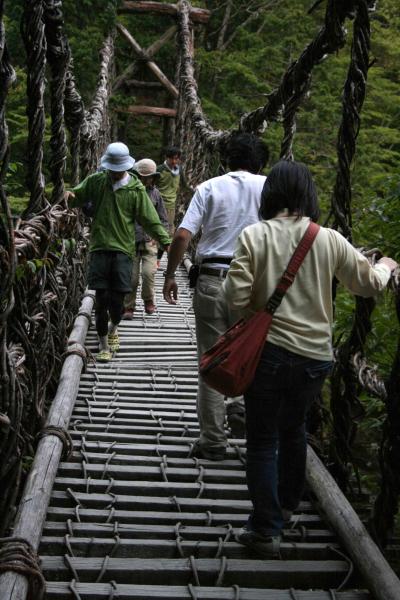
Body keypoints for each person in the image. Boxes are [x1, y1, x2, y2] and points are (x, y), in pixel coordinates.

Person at [221, 160, 397, 557]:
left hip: (266, 354)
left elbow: (233, 299)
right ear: (307, 195)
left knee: (263, 439)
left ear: (271, 195)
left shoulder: (254, 235)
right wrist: (385, 267)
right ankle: (287, 505)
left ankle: (266, 528)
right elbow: (367, 285)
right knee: (294, 429)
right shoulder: (328, 238)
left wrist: (258, 313)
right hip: (315, 357)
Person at [163, 132, 269, 460]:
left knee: (212, 362)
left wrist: (169, 274)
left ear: (227, 160)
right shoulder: (271, 188)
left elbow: (182, 235)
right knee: (249, 356)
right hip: (253, 282)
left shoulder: (210, 187)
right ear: (261, 162)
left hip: (211, 279)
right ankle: (239, 407)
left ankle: (213, 442)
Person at [65, 142, 171, 362]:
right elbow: (77, 196)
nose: (114, 172)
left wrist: (166, 242)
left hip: (124, 250)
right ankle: (104, 346)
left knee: (118, 302)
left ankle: (114, 328)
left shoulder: (136, 189)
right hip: (100, 249)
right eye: (111, 168)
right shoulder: (96, 182)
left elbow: (150, 220)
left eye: (118, 168)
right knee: (101, 300)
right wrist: (64, 195)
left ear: (126, 166)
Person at [122, 159, 168, 318]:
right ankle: (129, 306)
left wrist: (160, 238)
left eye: (150, 177)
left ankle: (149, 300)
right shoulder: (128, 192)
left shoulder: (156, 194)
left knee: (149, 274)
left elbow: (164, 220)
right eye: (143, 176)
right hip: (131, 242)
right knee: (131, 278)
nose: (147, 179)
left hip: (150, 242)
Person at [157, 146, 182, 236]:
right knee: (158, 228)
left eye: (176, 159)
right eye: (171, 158)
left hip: (171, 205)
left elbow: (184, 185)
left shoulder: (179, 170)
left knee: (169, 229)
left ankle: (164, 249)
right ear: (167, 158)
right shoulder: (159, 170)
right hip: (158, 204)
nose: (174, 161)